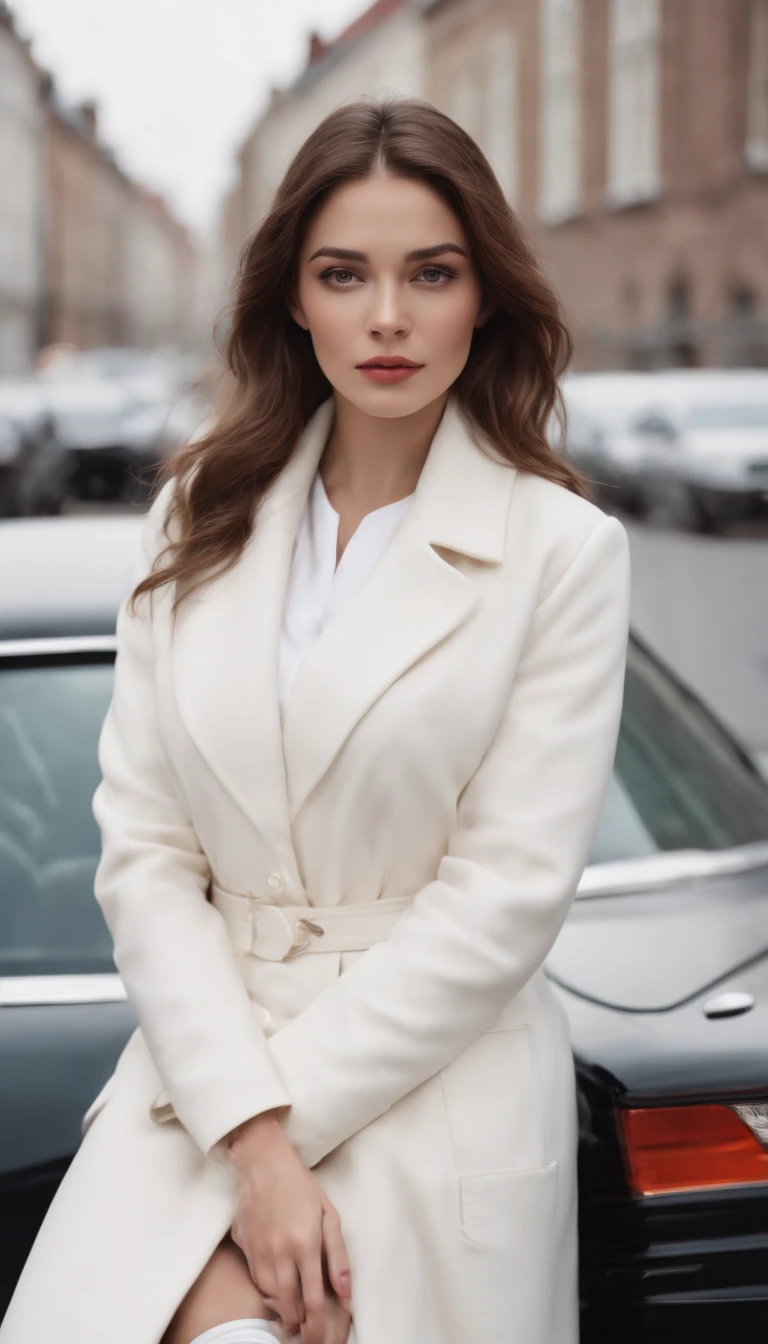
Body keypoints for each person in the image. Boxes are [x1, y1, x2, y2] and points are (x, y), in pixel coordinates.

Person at [0, 98, 630, 1344]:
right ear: (293, 297)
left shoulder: (563, 551)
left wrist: (285, 1136)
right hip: (205, 1084)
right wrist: (253, 1142)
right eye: (344, 275)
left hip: (428, 1090)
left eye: (431, 274)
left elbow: (503, 898)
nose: (387, 317)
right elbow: (146, 855)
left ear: (484, 297)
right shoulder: (197, 516)